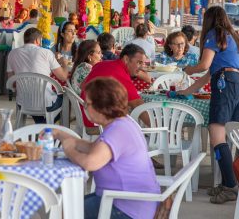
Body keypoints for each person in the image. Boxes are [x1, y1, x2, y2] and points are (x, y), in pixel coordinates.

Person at [53, 77, 160, 219]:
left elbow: (89, 163)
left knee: (64, 210)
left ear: (101, 106)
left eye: (87, 104)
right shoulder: (123, 122)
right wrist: (63, 136)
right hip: (132, 201)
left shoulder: (117, 130)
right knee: (66, 207)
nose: (85, 108)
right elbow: (95, 148)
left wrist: (69, 149)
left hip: (125, 207)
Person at [179, 6, 239, 204]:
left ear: (209, 19)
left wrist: (189, 69)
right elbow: (209, 74)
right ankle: (228, 182)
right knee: (225, 135)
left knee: (216, 135)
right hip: (238, 84)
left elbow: (204, 66)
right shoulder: (231, 36)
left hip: (225, 84)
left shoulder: (214, 33)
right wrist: (187, 91)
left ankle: (230, 185)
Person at [7, 28, 69, 123]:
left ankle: (40, 127)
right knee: (66, 98)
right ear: (37, 40)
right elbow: (63, 77)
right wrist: (64, 63)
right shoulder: (46, 53)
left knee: (37, 102)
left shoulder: (12, 53)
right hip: (46, 104)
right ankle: (44, 127)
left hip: (23, 102)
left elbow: (12, 82)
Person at [80, 44, 150, 128]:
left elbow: (82, 85)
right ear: (126, 59)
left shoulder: (102, 64)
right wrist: (156, 127)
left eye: (143, 63)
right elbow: (138, 106)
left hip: (86, 114)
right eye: (139, 63)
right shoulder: (120, 74)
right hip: (97, 123)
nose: (142, 67)